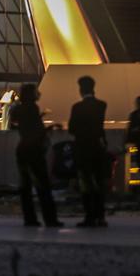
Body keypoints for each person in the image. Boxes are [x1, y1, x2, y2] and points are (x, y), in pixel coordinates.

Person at [10, 83, 60, 228]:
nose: (39, 94)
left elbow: (21, 126)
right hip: (34, 150)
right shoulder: (32, 108)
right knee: (43, 186)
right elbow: (37, 130)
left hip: (22, 149)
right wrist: (51, 128)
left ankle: (29, 219)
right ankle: (50, 219)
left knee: (25, 187)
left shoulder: (17, 109)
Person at [68, 75, 110, 228]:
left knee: (86, 184)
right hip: (97, 149)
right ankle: (101, 216)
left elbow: (72, 129)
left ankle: (89, 216)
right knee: (99, 183)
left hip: (83, 150)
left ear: (81, 90)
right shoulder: (102, 105)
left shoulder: (77, 108)